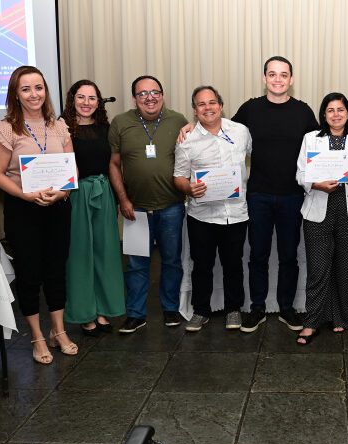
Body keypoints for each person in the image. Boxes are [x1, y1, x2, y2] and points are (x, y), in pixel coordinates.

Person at [0, 65, 77, 364]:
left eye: (38, 87)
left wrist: (63, 192)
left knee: (56, 271)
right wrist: (25, 194)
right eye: (26, 89)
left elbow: (71, 168)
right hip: (22, 210)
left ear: (45, 90)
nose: (33, 94)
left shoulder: (59, 126)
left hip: (57, 208)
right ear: (16, 93)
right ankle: (37, 337)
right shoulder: (6, 128)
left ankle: (59, 331)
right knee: (29, 275)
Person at [230, 56, 319, 333]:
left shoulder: (303, 112)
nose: (278, 79)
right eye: (272, 74)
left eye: (283, 75)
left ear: (291, 79)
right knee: (257, 254)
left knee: (289, 256)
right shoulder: (250, 109)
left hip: (293, 196)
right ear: (264, 78)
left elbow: (323, 142)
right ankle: (257, 308)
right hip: (258, 195)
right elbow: (223, 133)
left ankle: (286, 309)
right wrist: (190, 127)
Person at [109, 75, 188, 333]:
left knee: (172, 262)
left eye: (155, 92)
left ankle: (170, 308)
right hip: (136, 209)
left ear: (163, 95)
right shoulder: (121, 123)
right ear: (135, 98)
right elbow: (114, 164)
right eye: (143, 93)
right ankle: (135, 313)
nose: (149, 97)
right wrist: (123, 200)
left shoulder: (179, 121)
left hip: (172, 207)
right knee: (136, 264)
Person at [173, 86, 252, 332]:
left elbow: (255, 157)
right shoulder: (187, 140)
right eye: (201, 104)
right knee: (202, 265)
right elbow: (178, 177)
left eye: (212, 102)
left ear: (221, 104)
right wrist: (189, 188)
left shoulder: (240, 132)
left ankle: (233, 310)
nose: (208, 108)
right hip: (202, 215)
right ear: (195, 110)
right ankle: (201, 311)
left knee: (233, 264)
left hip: (235, 213)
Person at [294, 93, 348, 344]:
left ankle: (342, 318)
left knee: (346, 268)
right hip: (318, 210)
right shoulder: (310, 139)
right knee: (317, 268)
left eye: (341, 110)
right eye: (330, 110)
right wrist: (316, 184)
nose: (336, 114)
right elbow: (300, 175)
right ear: (323, 115)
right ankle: (312, 321)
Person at [61, 80, 125, 336]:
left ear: (98, 102)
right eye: (81, 97)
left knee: (106, 253)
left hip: (103, 194)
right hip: (76, 195)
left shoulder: (106, 129)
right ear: (72, 99)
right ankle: (84, 314)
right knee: (79, 255)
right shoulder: (60, 128)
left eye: (92, 97)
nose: (86, 102)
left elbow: (114, 164)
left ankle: (102, 311)